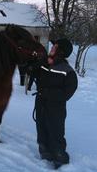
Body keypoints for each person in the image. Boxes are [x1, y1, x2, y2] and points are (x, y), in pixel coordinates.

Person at [32, 38, 78, 169]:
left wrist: (46, 92)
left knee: (55, 131)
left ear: (61, 52)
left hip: (55, 108)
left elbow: (66, 94)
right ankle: (44, 151)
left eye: (55, 47)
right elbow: (31, 71)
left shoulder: (68, 72)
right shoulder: (45, 64)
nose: (51, 48)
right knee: (41, 127)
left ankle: (59, 157)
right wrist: (40, 62)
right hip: (40, 104)